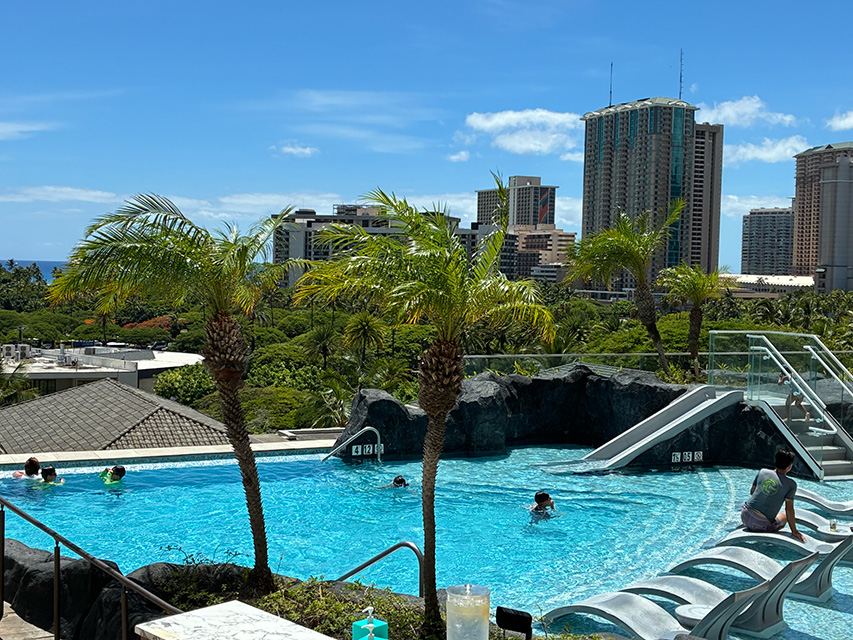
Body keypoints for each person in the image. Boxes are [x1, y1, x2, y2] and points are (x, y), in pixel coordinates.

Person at [741, 448, 805, 542]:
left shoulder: (762, 472)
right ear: (790, 466)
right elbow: (789, 509)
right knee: (784, 517)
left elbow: (752, 492)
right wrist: (794, 531)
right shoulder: (791, 484)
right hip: (761, 525)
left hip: (745, 515)